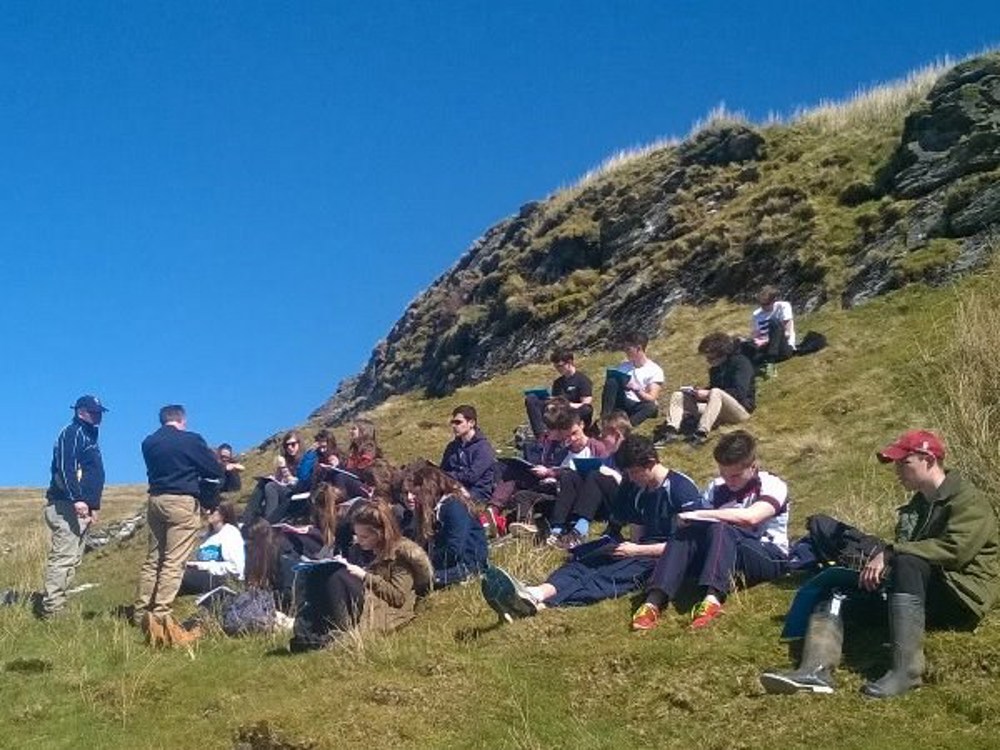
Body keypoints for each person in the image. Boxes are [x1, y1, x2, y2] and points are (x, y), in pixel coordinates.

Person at [760, 430, 1000, 698]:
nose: (897, 470)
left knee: (907, 561)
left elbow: (956, 551)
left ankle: (906, 673)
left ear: (928, 459)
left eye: (903, 463)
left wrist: (891, 553)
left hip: (961, 597)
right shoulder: (916, 507)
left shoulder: (968, 500)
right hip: (920, 594)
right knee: (837, 593)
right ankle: (814, 672)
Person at [482, 435, 704, 619]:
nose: (631, 478)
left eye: (634, 472)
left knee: (606, 576)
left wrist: (636, 551)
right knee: (584, 560)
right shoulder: (640, 491)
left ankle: (540, 605)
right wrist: (625, 548)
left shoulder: (681, 490)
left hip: (663, 558)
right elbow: (638, 533)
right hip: (640, 549)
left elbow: (687, 547)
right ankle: (536, 593)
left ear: (650, 463)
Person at [631, 429, 790, 632]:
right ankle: (654, 601)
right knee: (688, 533)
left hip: (767, 553)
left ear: (753, 466)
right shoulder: (716, 487)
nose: (729, 481)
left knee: (721, 528)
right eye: (723, 473)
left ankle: (712, 598)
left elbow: (752, 517)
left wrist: (701, 515)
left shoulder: (771, 484)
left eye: (735, 475)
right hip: (725, 552)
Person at [135, 404, 225, 646]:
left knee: (153, 558)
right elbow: (213, 469)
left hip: (156, 500)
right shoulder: (190, 440)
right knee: (174, 561)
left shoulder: (149, 443)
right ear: (181, 420)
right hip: (181, 502)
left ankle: (140, 611)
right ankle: (160, 615)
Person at [289, 501, 433, 652]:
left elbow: (398, 597)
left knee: (336, 576)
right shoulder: (368, 550)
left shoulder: (400, 556)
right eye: (357, 535)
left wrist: (364, 575)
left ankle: (341, 629)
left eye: (364, 537)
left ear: (380, 533)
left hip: (385, 608)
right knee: (318, 573)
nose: (359, 540)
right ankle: (312, 629)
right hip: (367, 600)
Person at [38, 395, 108, 618]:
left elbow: (92, 474)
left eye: (99, 412)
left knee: (73, 558)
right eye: (94, 412)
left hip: (81, 506)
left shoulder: (89, 435)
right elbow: (65, 468)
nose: (98, 416)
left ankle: (58, 603)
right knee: (64, 557)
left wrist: (93, 505)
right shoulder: (72, 433)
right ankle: (53, 608)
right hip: (66, 505)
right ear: (81, 412)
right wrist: (76, 498)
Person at [507, 403, 609, 541]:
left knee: (568, 478)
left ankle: (556, 527)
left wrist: (553, 473)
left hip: (580, 496)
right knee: (523, 495)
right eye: (568, 436)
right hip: (557, 493)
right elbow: (554, 466)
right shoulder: (564, 451)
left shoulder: (596, 448)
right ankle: (526, 525)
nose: (572, 439)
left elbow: (603, 473)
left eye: (575, 433)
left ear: (582, 425)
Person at [658, 332, 755, 446]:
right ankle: (671, 430)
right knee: (679, 395)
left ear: (721, 353)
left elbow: (739, 393)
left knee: (716, 392)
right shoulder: (714, 370)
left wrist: (708, 393)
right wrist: (696, 393)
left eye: (710, 357)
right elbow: (714, 392)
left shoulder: (741, 363)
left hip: (740, 410)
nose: (708, 361)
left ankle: (701, 433)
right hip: (717, 410)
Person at [403, 464, 488, 587]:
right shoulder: (434, 507)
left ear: (428, 489)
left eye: (414, 493)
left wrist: (426, 563)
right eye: (407, 493)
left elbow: (454, 550)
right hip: (447, 565)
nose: (410, 497)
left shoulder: (453, 506)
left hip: (467, 567)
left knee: (417, 583)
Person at [524, 348, 594, 437]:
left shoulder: (582, 380)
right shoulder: (558, 382)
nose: (558, 369)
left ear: (569, 363)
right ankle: (541, 435)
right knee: (532, 399)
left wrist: (567, 404)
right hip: (558, 411)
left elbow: (586, 403)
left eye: (560, 366)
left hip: (572, 411)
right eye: (556, 366)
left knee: (587, 409)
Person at [179, 501, 245, 595]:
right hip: (205, 575)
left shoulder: (230, 533)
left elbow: (236, 568)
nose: (208, 512)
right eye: (207, 508)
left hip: (223, 579)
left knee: (181, 576)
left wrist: (202, 566)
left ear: (223, 514)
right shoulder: (209, 535)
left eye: (213, 510)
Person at [599, 331, 664, 427]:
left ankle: (627, 427)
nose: (625, 351)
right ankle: (605, 420)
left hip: (637, 403)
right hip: (622, 401)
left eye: (628, 349)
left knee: (651, 407)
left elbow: (652, 397)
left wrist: (637, 389)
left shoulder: (654, 370)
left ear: (639, 348)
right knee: (612, 382)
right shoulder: (624, 366)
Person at [440, 405, 496, 502]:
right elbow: (442, 470)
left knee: (449, 501)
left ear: (471, 423)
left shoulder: (483, 448)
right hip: (453, 487)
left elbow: (472, 477)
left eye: (458, 422)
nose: (454, 426)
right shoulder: (452, 447)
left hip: (476, 492)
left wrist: (450, 476)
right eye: (453, 422)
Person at [746, 285, 795, 368]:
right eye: (761, 304)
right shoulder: (756, 314)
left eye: (766, 304)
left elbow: (787, 334)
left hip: (783, 347)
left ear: (774, 301)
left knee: (773, 322)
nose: (763, 307)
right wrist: (757, 341)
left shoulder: (783, 306)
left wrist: (768, 340)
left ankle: (770, 359)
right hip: (766, 346)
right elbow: (757, 335)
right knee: (742, 343)